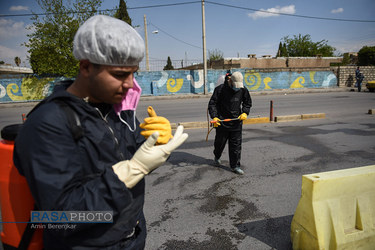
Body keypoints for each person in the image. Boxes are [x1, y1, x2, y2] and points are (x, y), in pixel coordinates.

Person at [13, 15, 188, 249]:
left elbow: (131, 152)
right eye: (119, 74)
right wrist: (131, 171)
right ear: (85, 66)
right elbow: (61, 216)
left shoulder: (119, 110)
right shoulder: (48, 123)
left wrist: (153, 143)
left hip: (133, 238)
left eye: (133, 73)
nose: (130, 84)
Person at [208, 71, 252, 175]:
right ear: (230, 81)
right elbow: (212, 104)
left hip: (236, 122)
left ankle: (235, 166)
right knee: (219, 143)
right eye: (235, 85)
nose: (237, 88)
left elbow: (247, 102)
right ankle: (217, 156)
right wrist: (215, 116)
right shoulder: (220, 89)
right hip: (222, 122)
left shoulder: (243, 90)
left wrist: (245, 112)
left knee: (236, 146)